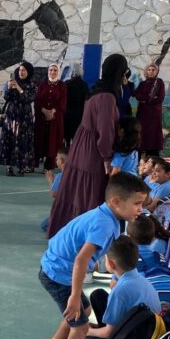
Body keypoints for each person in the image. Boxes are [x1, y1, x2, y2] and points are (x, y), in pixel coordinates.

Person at [36, 172, 148, 339]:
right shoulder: (104, 224)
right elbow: (80, 260)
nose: (141, 209)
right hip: (59, 275)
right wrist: (75, 296)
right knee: (80, 327)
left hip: (59, 269)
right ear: (116, 202)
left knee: (85, 311)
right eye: (137, 203)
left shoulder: (110, 217)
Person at [46, 54, 126, 236]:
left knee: (77, 190)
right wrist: (107, 157)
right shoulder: (107, 96)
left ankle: (69, 231)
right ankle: (87, 235)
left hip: (81, 146)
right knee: (90, 193)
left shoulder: (96, 90)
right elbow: (105, 131)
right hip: (93, 152)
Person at [84, 236, 161, 339]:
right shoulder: (142, 279)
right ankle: (101, 330)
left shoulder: (119, 291)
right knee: (98, 295)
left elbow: (109, 333)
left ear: (110, 264)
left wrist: (88, 331)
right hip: (146, 334)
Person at [0, 62, 36, 177]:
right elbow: (6, 98)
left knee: (23, 140)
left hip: (25, 117)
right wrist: (9, 88)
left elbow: (28, 98)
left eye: (24, 70)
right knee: (9, 139)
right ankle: (9, 166)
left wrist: (19, 88)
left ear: (28, 72)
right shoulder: (12, 82)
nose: (21, 72)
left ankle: (22, 166)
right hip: (12, 115)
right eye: (20, 70)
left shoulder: (32, 85)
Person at [33, 63, 67, 172]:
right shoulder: (42, 85)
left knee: (53, 141)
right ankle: (34, 164)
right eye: (51, 70)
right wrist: (44, 111)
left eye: (55, 70)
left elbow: (63, 102)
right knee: (39, 139)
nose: (52, 72)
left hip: (55, 119)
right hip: (41, 118)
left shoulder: (62, 86)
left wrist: (52, 112)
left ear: (58, 72)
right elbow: (37, 100)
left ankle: (48, 166)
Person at [134, 63, 165, 156]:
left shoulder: (159, 83)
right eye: (149, 70)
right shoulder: (142, 84)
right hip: (143, 114)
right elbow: (137, 95)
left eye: (153, 70)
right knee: (142, 134)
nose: (151, 72)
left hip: (154, 115)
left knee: (153, 135)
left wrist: (145, 99)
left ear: (156, 72)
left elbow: (160, 98)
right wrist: (150, 98)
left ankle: (153, 157)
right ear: (146, 71)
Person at [63, 63, 88, 151]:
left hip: (68, 113)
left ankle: (66, 149)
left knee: (67, 134)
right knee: (76, 135)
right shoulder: (84, 85)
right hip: (80, 113)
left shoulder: (67, 83)